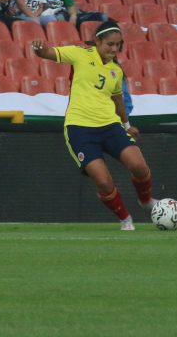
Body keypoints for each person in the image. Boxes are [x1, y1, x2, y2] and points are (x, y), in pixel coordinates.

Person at [30, 20, 155, 230]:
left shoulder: (116, 70)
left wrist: (127, 126)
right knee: (103, 181)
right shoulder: (80, 54)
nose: (114, 49)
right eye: (110, 44)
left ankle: (146, 201)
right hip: (80, 129)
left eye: (118, 45)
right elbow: (48, 53)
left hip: (110, 126)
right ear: (97, 40)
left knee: (139, 166)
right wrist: (38, 47)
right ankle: (125, 219)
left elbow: (118, 102)